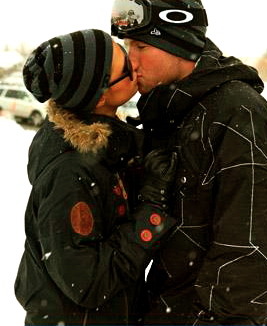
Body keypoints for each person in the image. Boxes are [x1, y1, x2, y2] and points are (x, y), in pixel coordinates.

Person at [111, 0, 267, 325]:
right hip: (164, 305)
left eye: (141, 45)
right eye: (128, 45)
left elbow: (249, 252)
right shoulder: (171, 109)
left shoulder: (237, 115)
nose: (132, 60)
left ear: (179, 44)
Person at [14, 28, 178, 326]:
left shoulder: (103, 147)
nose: (135, 65)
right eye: (126, 67)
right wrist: (151, 211)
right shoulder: (70, 173)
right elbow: (87, 283)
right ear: (101, 95)